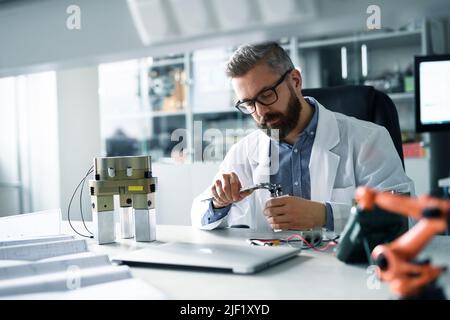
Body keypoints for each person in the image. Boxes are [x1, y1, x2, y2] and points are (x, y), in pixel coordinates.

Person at [191, 42, 414, 234]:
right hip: (270, 276)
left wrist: (325, 215)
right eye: (248, 104)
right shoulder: (244, 152)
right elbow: (198, 215)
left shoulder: (367, 139)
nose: (259, 112)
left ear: (295, 81)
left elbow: (403, 216)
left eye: (267, 95)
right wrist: (218, 203)